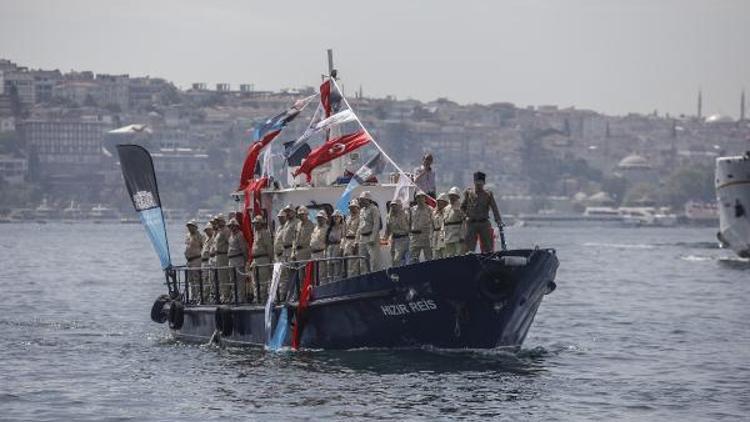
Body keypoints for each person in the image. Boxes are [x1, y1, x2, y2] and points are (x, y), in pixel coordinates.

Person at [461, 171, 503, 253]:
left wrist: (498, 220)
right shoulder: (468, 193)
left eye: (480, 183)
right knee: (468, 248)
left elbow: (494, 208)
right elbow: (462, 207)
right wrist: (465, 217)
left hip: (484, 223)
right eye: (477, 183)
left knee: (488, 248)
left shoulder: (488, 194)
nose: (478, 185)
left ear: (484, 183)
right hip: (471, 223)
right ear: (474, 182)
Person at [249, 215, 273, 303]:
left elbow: (269, 247)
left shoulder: (265, 232)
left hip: (263, 259)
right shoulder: (256, 233)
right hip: (255, 260)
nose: (255, 225)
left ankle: (262, 299)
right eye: (254, 223)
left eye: (257, 223)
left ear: (261, 224)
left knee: (263, 281)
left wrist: (271, 259)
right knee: (255, 281)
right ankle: (257, 298)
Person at [357, 191, 381, 272]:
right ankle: (365, 279)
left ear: (367, 199)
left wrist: (373, 237)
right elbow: (360, 226)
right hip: (362, 238)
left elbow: (376, 224)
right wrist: (357, 240)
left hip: (371, 237)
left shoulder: (374, 209)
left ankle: (375, 280)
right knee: (362, 261)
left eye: (362, 199)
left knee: (374, 261)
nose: (360, 201)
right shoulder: (362, 210)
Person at [227, 218, 249, 302]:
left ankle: (240, 298)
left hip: (238, 259)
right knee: (232, 280)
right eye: (230, 226)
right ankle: (234, 297)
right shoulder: (230, 236)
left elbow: (244, 249)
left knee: (240, 280)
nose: (232, 228)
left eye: (233, 226)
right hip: (231, 260)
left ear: (237, 226)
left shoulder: (240, 235)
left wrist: (246, 261)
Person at [409, 191, 433, 263]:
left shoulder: (430, 209)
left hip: (426, 236)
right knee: (413, 258)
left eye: (422, 197)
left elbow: (433, 222)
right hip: (415, 237)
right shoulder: (412, 209)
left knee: (428, 257)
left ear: (425, 198)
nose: (420, 199)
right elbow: (409, 222)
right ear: (416, 199)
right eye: (418, 197)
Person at [384, 199, 409, 267]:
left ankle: (398, 273)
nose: (393, 207)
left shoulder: (405, 214)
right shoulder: (389, 216)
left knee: (397, 259)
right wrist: (385, 238)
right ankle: (395, 274)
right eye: (392, 205)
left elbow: (411, 225)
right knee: (393, 258)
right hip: (394, 239)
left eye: (395, 205)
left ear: (400, 206)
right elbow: (388, 229)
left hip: (403, 239)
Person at [213, 214, 231, 301]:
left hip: (224, 255)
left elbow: (229, 243)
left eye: (218, 221)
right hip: (218, 256)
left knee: (224, 276)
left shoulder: (226, 231)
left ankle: (226, 295)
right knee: (220, 277)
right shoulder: (219, 231)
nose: (216, 223)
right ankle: (223, 294)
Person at [443, 186, 466, 257]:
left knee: (459, 255)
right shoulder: (446, 208)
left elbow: (464, 222)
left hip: (457, 235)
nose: (452, 197)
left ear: (457, 196)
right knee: (449, 255)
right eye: (450, 195)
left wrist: (462, 235)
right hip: (448, 234)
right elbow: (444, 222)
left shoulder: (461, 207)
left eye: (453, 195)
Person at [184, 219, 203, 302]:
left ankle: (198, 297)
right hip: (189, 261)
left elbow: (203, 246)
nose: (189, 228)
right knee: (191, 280)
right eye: (188, 226)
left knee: (196, 279)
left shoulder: (199, 236)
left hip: (196, 259)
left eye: (191, 226)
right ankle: (193, 296)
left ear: (195, 227)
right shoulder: (188, 235)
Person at [343, 200, 361, 277]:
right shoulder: (348, 217)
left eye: (354, 207)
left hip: (354, 240)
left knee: (353, 265)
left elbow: (359, 231)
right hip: (347, 241)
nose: (352, 209)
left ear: (357, 208)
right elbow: (345, 231)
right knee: (346, 265)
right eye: (350, 207)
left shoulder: (360, 217)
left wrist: (355, 244)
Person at [326, 210, 345, 280]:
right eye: (334, 217)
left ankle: (337, 280)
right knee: (329, 265)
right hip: (330, 247)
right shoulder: (330, 228)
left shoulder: (343, 226)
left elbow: (344, 237)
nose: (336, 218)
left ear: (340, 218)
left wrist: (341, 248)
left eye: (337, 217)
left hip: (338, 246)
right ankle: (330, 281)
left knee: (337, 265)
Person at [310, 210, 329, 277]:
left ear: (325, 219)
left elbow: (328, 242)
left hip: (321, 253)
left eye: (321, 218)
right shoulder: (315, 228)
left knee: (321, 274)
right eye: (318, 218)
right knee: (314, 274)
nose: (319, 219)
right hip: (313, 254)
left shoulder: (327, 229)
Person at [200, 222, 215, 302]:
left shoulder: (213, 239)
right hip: (204, 262)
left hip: (209, 261)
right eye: (206, 230)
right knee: (205, 280)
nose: (206, 232)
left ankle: (211, 296)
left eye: (208, 230)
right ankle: (205, 296)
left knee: (210, 279)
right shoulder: (206, 239)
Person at [432, 193, 448, 259]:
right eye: (438, 202)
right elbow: (432, 225)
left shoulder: (447, 211)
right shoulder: (434, 213)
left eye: (441, 202)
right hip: (436, 235)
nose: (439, 203)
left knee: (445, 255)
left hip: (444, 235)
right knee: (435, 256)